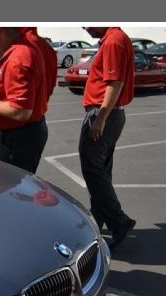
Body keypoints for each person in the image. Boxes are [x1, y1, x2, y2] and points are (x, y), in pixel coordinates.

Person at [79, 27, 136, 249]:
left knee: (92, 168)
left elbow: (115, 82)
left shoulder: (113, 41)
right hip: (111, 114)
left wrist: (100, 118)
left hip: (104, 114)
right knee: (101, 169)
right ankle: (99, 216)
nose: (85, 27)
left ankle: (118, 220)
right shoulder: (115, 38)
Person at [0, 27, 48, 174]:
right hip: (23, 134)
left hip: (20, 138)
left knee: (13, 189)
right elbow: (10, 92)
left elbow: (21, 111)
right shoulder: (20, 50)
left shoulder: (17, 59)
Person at [20, 27, 57, 103]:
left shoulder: (22, 44)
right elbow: (52, 82)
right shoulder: (48, 48)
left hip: (23, 108)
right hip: (40, 106)